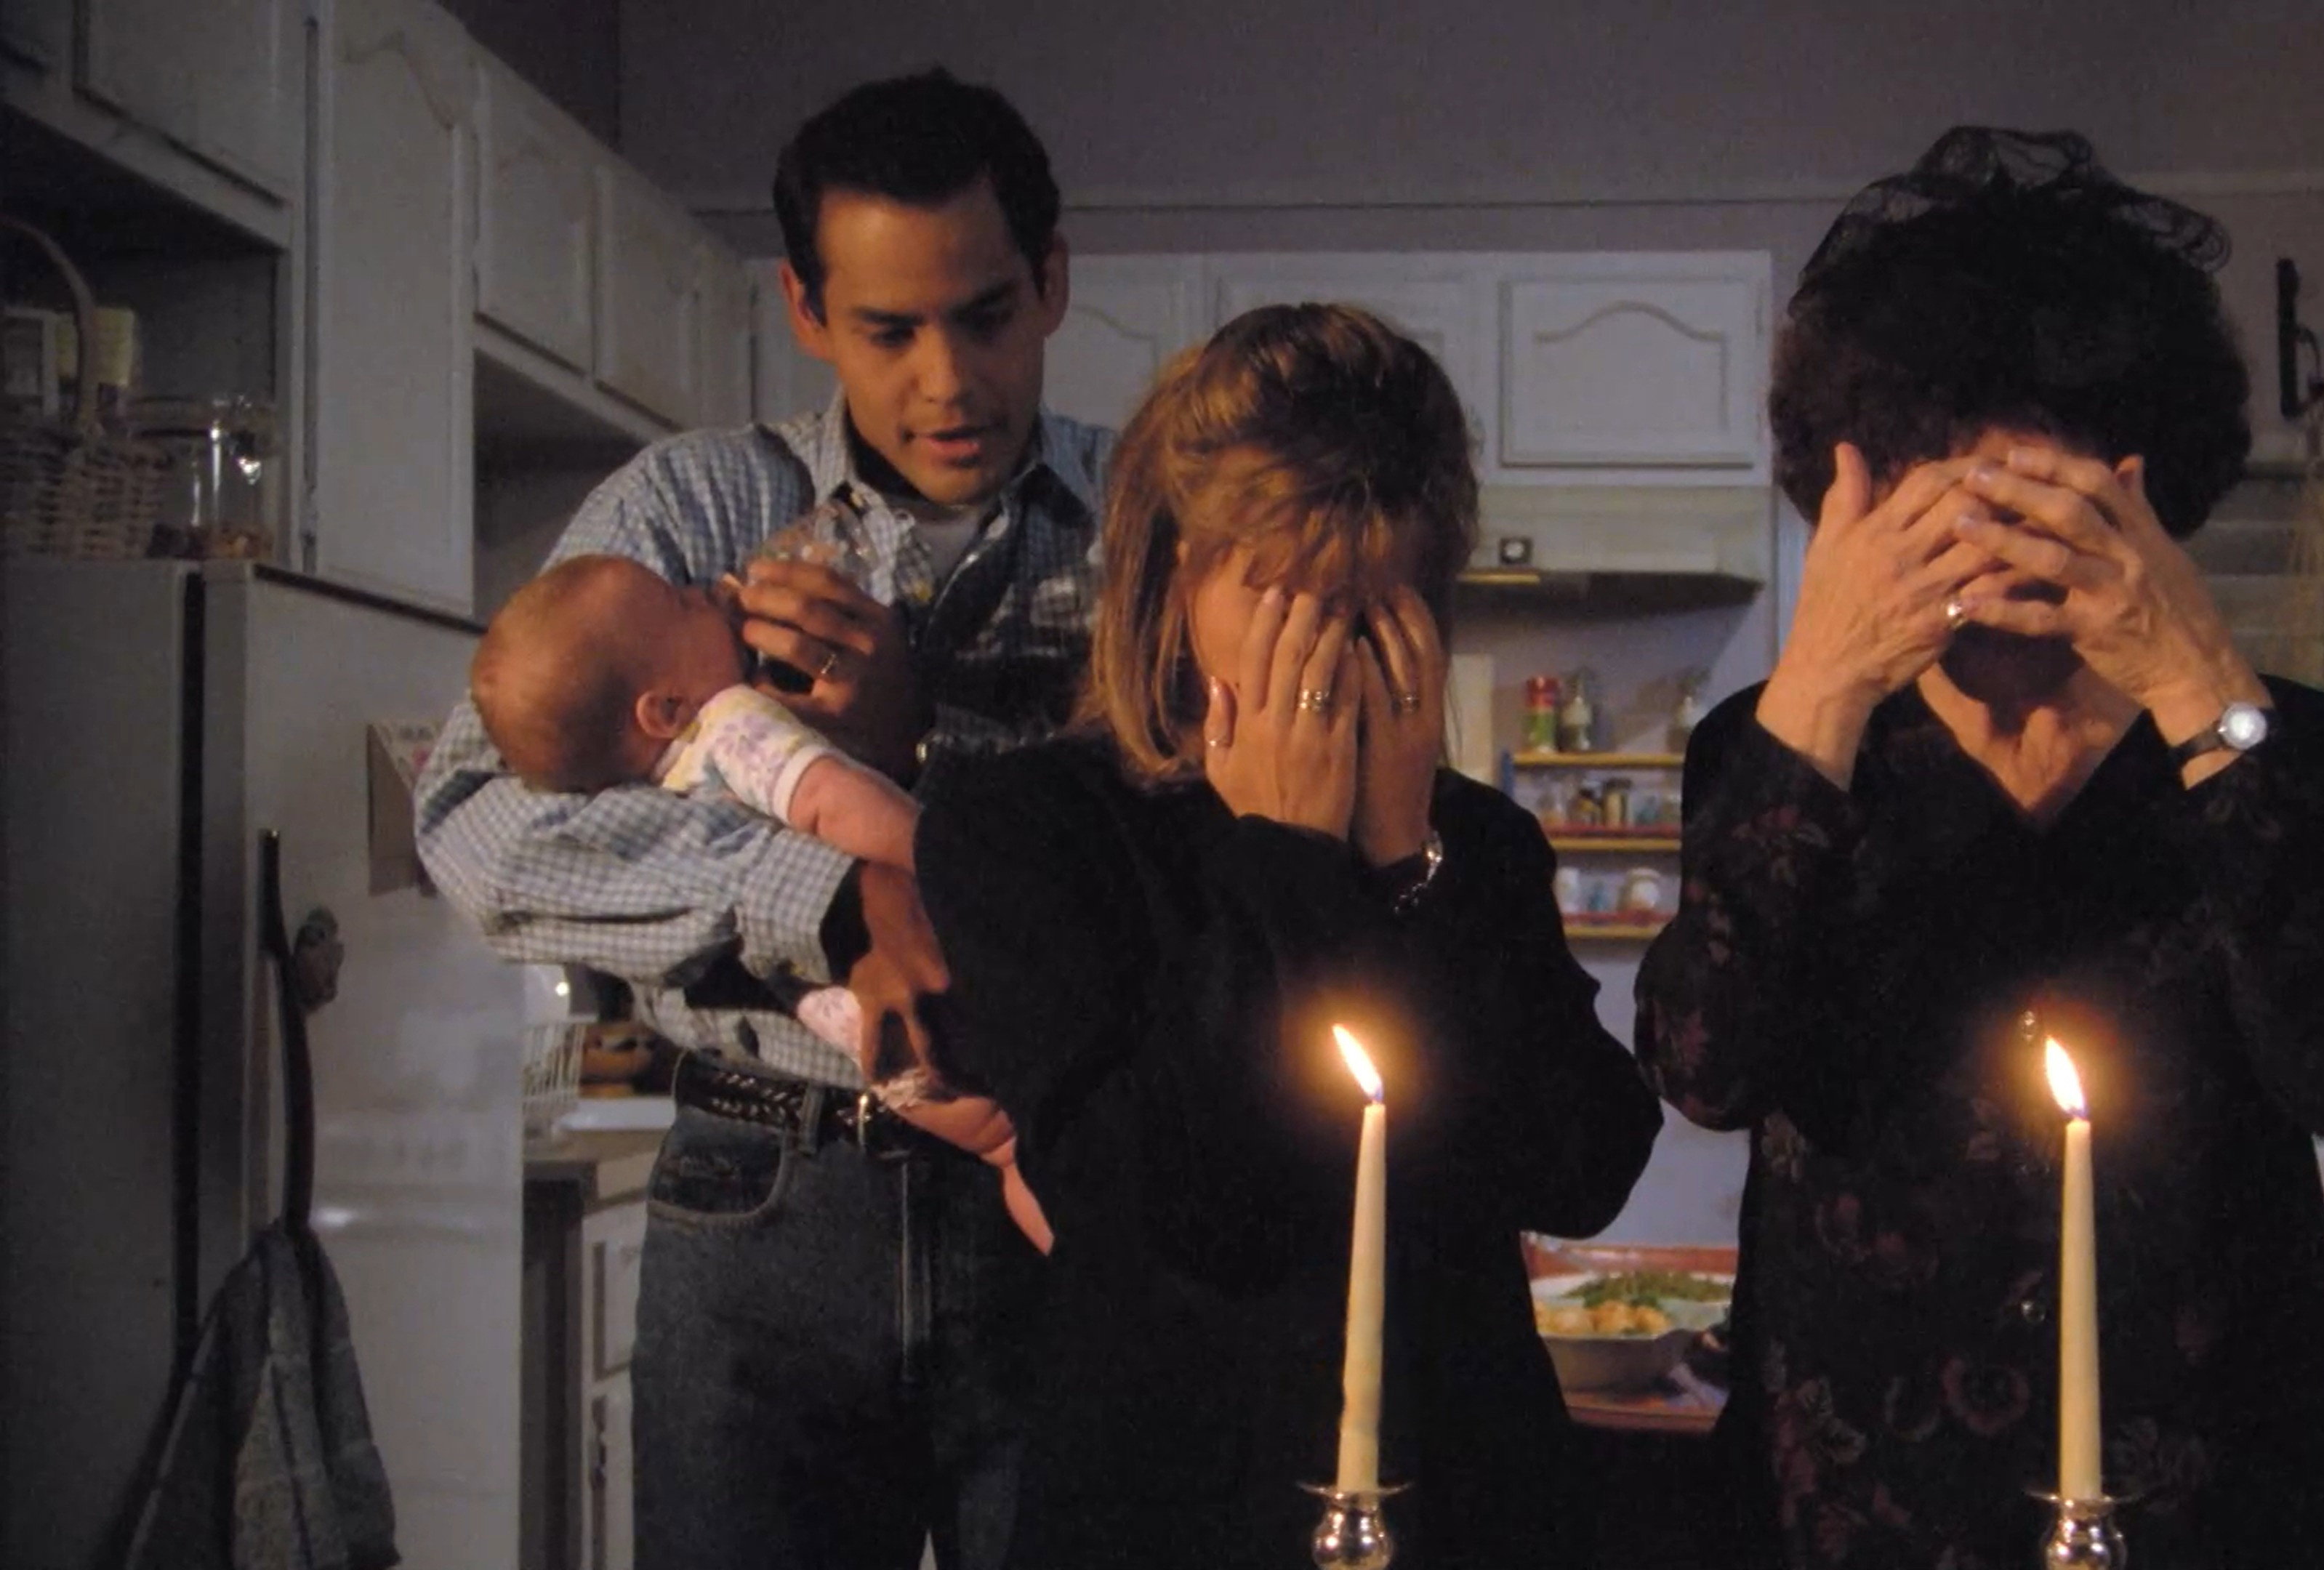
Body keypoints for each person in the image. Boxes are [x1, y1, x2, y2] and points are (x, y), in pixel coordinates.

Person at [1631, 127, 2324, 1569]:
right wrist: (1822, 686)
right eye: (1951, 486)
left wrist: (2198, 685)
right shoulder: (1780, 750)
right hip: (1860, 1500)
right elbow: (1708, 1069)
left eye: (2049, 493)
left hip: (2210, 1494)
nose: (2000, 542)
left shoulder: (2286, 751)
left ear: (2141, 485)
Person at [415, 69, 1102, 1570]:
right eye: (889, 330)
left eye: (986, 315)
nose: (947, 382)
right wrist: (830, 898)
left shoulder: (1144, 521)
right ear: (806, 308)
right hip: (761, 1198)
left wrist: (913, 742)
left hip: (1069, 1204)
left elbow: (1189, 857)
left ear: (1051, 281)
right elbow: (472, 822)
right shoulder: (686, 511)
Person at [906, 303, 1663, 1569]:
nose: (1329, 655)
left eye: (1375, 609)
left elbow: (1582, 1166)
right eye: (1290, 603)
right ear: (1173, 578)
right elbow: (1156, 1208)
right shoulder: (1027, 829)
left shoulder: (1470, 844)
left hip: (1465, 1492)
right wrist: (1288, 861)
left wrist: (1405, 864)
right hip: (1173, 1508)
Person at [467, 552, 1052, 1253]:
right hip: (923, 954)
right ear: (665, 710)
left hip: (845, 1024)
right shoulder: (731, 723)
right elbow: (830, 801)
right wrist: (948, 868)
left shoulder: (654, 800)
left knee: (1008, 1146)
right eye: (680, 602)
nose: (704, 591)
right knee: (1057, 1105)